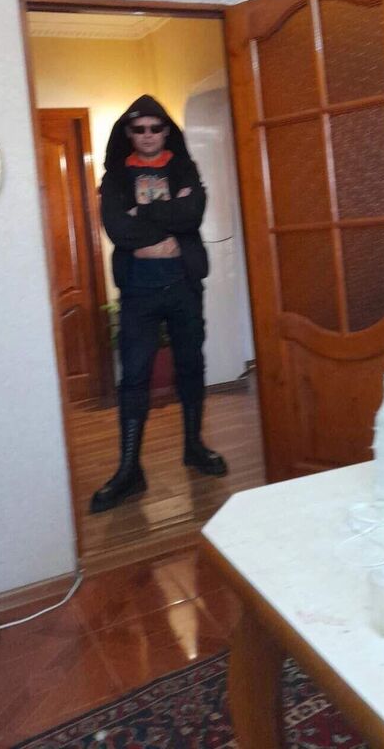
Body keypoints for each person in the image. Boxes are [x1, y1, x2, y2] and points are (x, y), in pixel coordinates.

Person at [91, 95, 228, 514]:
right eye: (139, 129)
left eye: (156, 128)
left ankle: (194, 446)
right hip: (139, 291)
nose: (148, 135)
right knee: (134, 376)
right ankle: (129, 469)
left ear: (167, 131)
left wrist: (143, 213)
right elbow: (118, 229)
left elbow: (192, 215)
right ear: (129, 133)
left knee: (191, 365)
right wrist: (167, 216)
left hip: (184, 284)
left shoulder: (184, 167)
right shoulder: (116, 176)